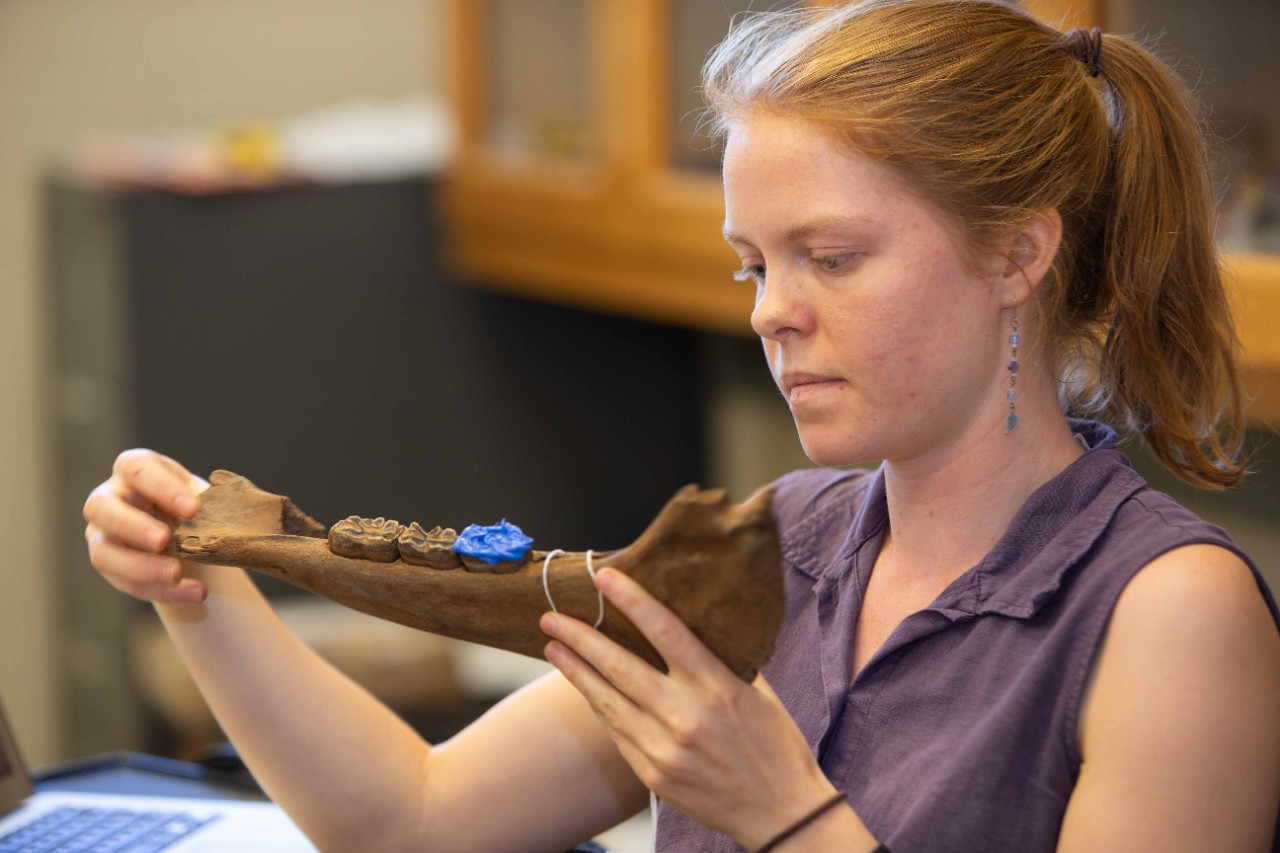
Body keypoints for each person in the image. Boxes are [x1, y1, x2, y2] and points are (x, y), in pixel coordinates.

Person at [81, 1, 1280, 850]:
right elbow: (410, 819)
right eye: (752, 264)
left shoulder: (1169, 613)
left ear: (1017, 254)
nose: (770, 312)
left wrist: (784, 815)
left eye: (829, 256)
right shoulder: (776, 545)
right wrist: (202, 586)